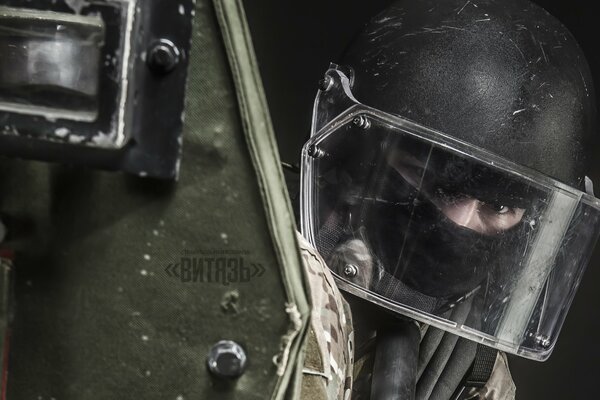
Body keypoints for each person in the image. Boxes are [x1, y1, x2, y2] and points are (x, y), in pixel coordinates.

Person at [298, 0, 600, 399]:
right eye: (440, 185)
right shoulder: (273, 291)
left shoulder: (475, 376)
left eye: (500, 206)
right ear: (361, 152)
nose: (459, 221)